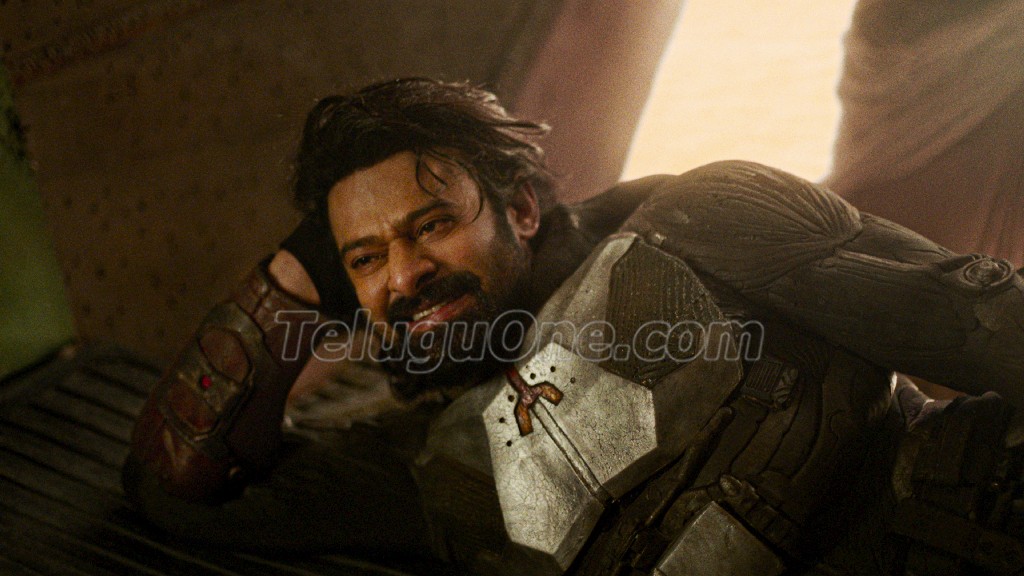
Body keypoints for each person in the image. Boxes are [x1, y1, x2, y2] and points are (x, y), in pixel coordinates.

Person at [123, 78, 1024, 575]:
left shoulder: (702, 220)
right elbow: (179, 486)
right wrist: (291, 277)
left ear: (520, 208)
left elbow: (987, 322)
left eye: (432, 224)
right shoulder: (423, 464)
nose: (403, 274)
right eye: (364, 258)